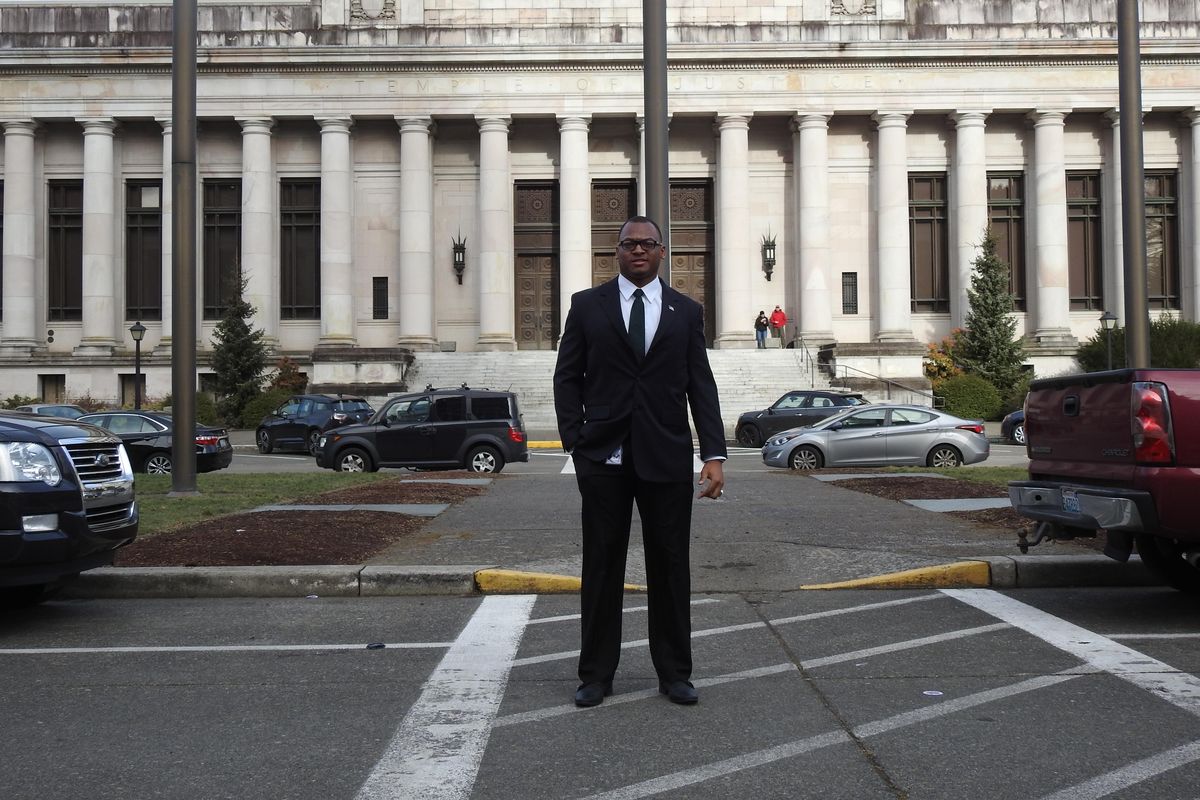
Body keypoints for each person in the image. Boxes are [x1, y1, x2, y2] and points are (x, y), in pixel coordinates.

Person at [553, 215, 727, 708]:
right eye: (629, 243)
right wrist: (575, 443)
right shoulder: (587, 306)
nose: (638, 251)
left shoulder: (685, 311)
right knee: (602, 566)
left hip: (666, 455)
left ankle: (674, 673)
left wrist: (713, 454)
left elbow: (701, 386)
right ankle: (595, 675)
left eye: (647, 244)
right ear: (617, 251)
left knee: (671, 566)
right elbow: (567, 377)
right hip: (602, 457)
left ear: (661, 252)